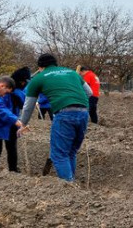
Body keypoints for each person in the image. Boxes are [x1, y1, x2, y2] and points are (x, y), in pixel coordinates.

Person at [18, 53, 93, 181]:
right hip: (83, 113)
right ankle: (71, 183)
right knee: (71, 151)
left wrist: (22, 124)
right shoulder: (72, 73)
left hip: (64, 114)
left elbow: (28, 106)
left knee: (59, 155)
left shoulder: (38, 78)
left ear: (40, 67)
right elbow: (89, 92)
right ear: (55, 63)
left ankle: (68, 186)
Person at [0, 76, 24, 172]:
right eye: (6, 92)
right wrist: (15, 120)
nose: (5, 95)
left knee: (4, 148)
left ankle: (10, 169)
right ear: (2, 86)